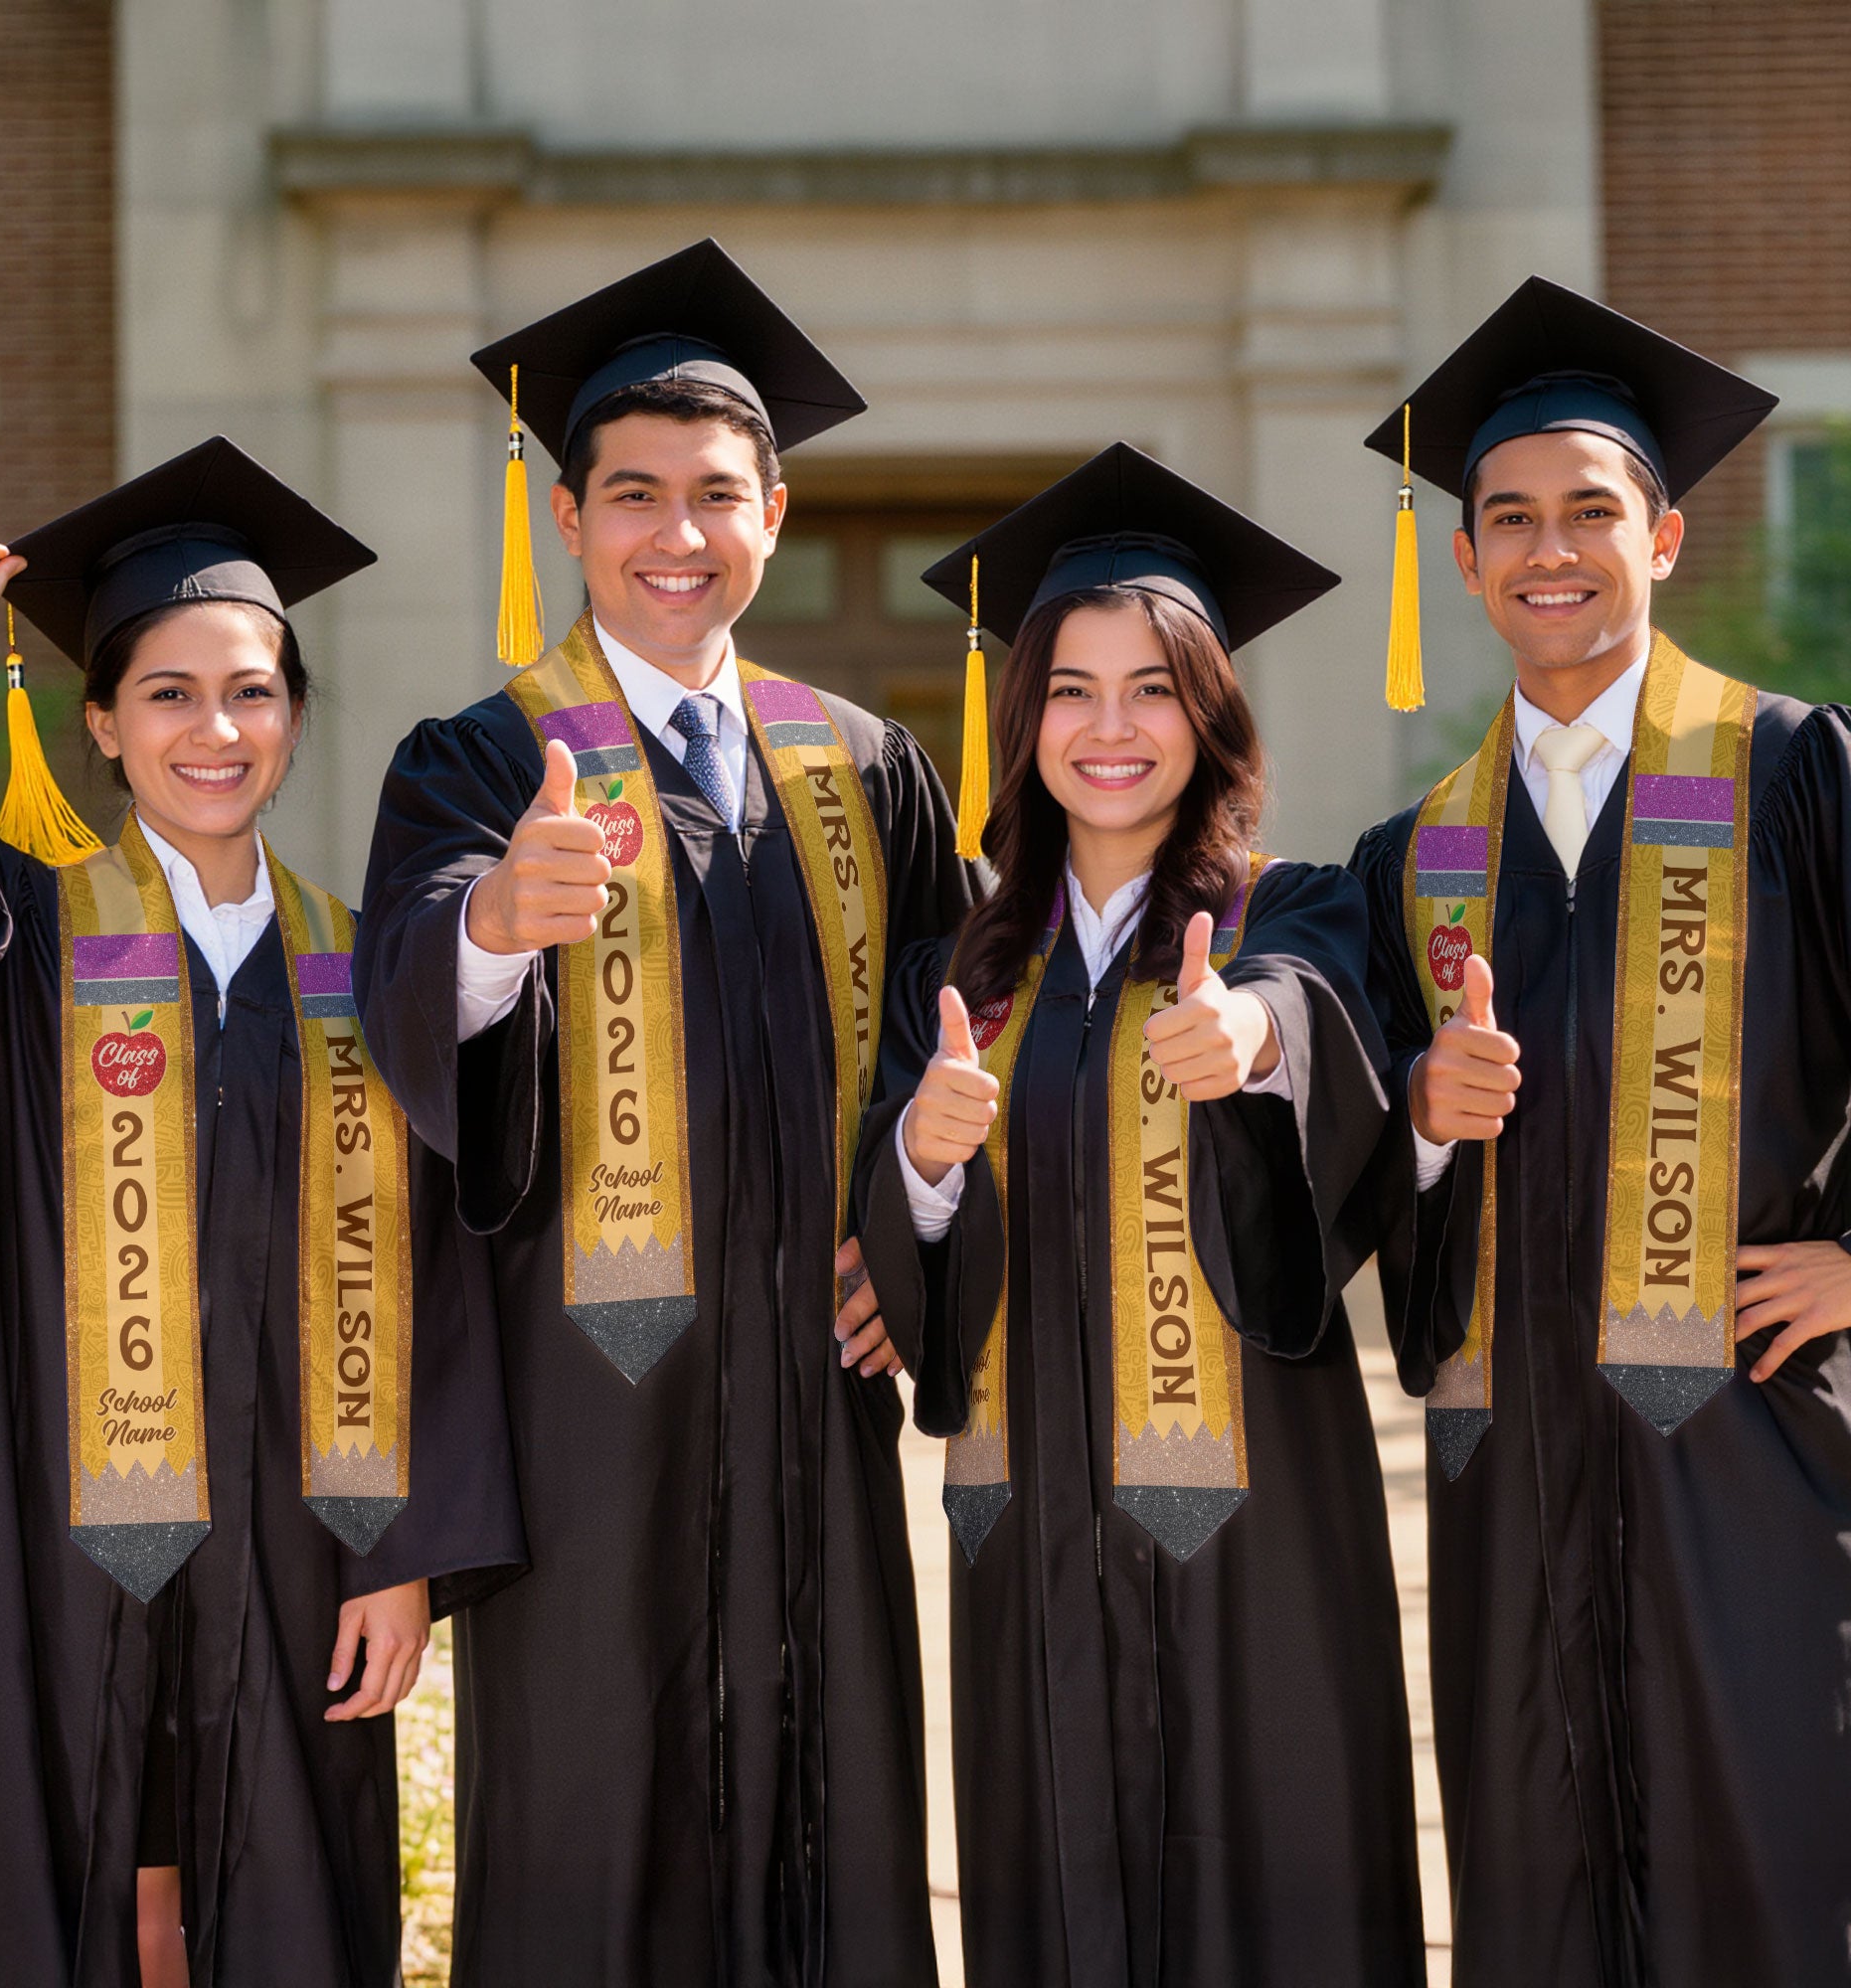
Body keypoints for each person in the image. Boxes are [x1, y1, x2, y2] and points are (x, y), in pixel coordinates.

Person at [353, 240, 978, 1987]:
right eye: (633, 495)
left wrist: (911, 1234)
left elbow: (959, 1030)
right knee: (594, 1828)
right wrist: (493, 926)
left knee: (831, 1811)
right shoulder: (479, 759)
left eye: (715, 494)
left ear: (774, 512)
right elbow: (406, 989)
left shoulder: (864, 765)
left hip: (813, 1404)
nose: (676, 533)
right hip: (589, 1415)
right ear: (568, 518)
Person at [0, 437, 523, 1988]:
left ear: (293, 714)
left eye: (252, 692)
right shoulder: (17, 945)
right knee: (60, 1862)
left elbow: (443, 1282)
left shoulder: (367, 968)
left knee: (278, 1888)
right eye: (167, 693)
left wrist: (404, 1552)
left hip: (300, 1540)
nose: (214, 729)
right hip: (47, 1525)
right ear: (100, 722)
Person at [854, 443, 1425, 1987]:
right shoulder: (960, 972)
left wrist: (1254, 1039)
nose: (1111, 729)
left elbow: (1316, 1018)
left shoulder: (1291, 909)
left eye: (1154, 689)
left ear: (1211, 713)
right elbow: (901, 1240)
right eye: (1072, 690)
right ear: (1022, 718)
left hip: (1256, 1524)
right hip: (1029, 1520)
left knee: (1277, 1892)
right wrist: (921, 1156)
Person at [1351, 277, 1851, 1987]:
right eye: (1509, 518)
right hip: (1515, 1476)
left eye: (1589, 512)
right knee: (1537, 1884)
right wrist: (1422, 1123)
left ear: (1666, 538)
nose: (1548, 549)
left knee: (1770, 1873)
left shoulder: (1797, 774)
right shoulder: (1418, 855)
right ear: (1466, 559)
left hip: (1752, 1445)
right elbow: (1362, 1170)